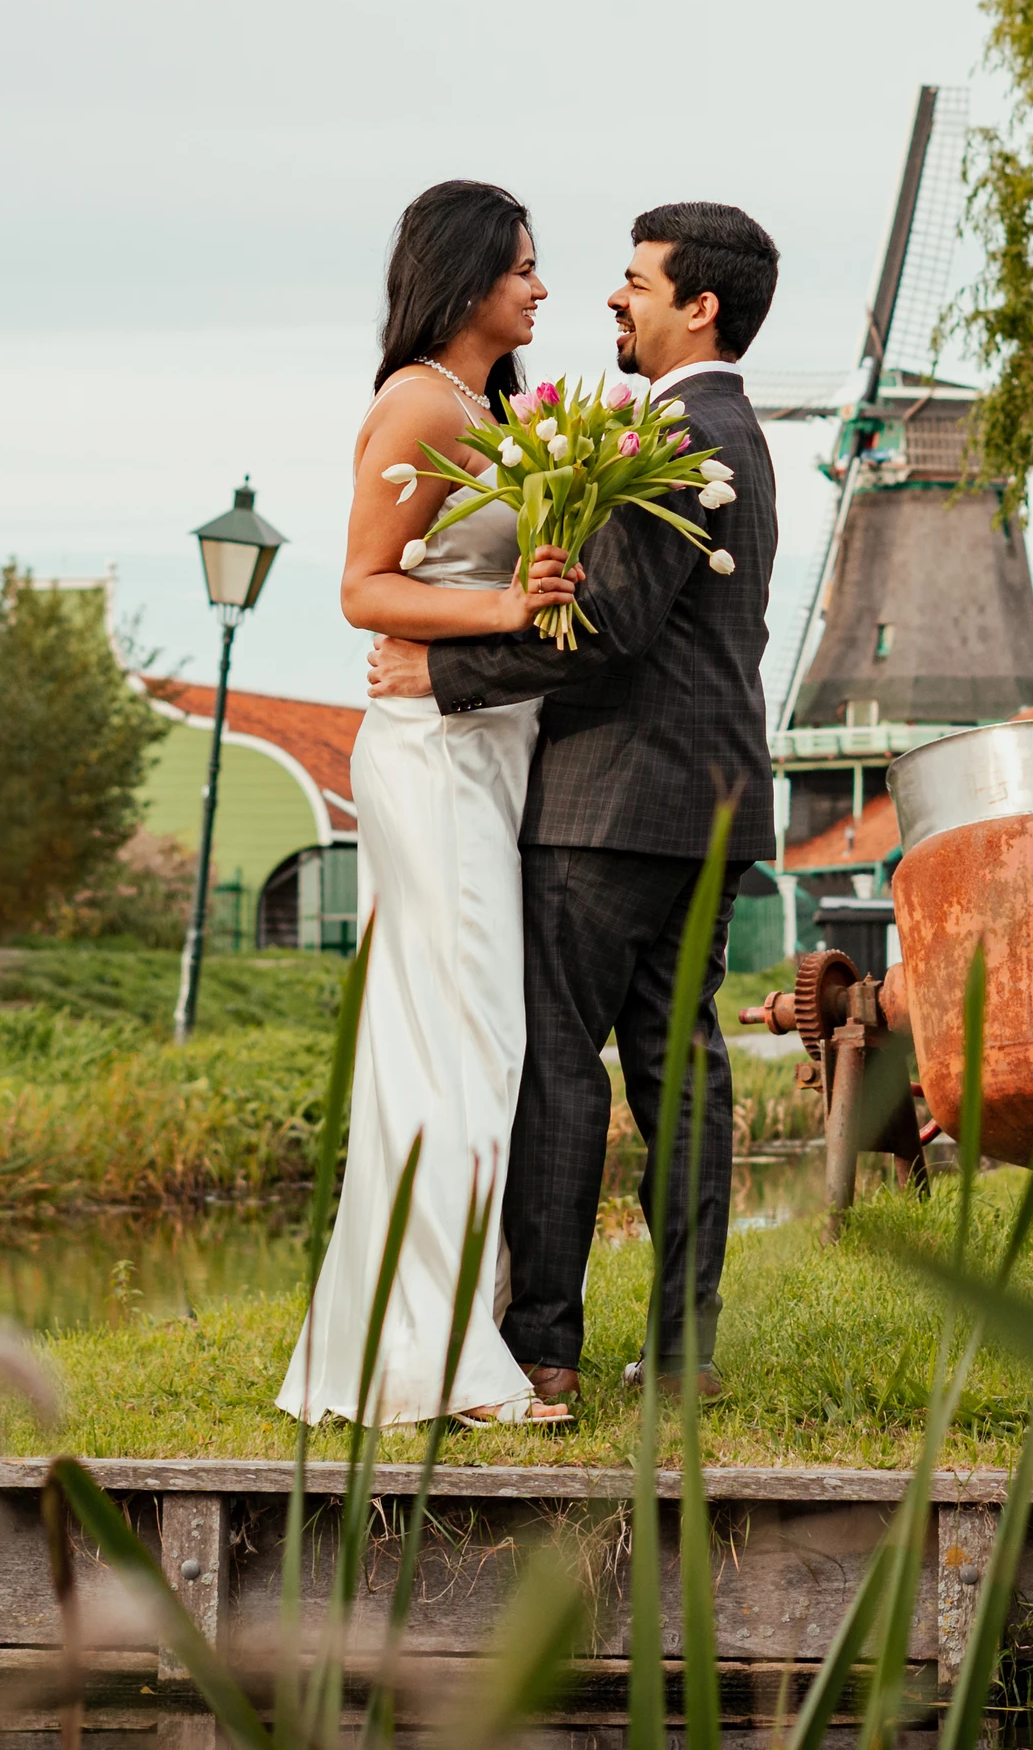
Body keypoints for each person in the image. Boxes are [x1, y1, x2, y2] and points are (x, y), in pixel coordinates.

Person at [370, 202, 779, 1405]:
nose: (611, 297)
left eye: (635, 281)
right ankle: (682, 1350)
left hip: (608, 801)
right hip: (711, 799)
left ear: (697, 306)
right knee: (678, 1069)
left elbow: (605, 623)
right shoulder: (728, 432)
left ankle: (544, 1345)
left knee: (560, 1068)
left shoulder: (686, 433)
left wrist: (439, 674)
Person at [278, 180, 579, 1431]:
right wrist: (508, 608)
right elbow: (361, 587)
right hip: (435, 758)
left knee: (461, 1038)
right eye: (521, 267)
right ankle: (439, 1359)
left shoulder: (484, 408)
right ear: (465, 280)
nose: (542, 289)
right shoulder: (416, 402)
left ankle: (412, 1344)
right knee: (465, 1037)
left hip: (489, 754)